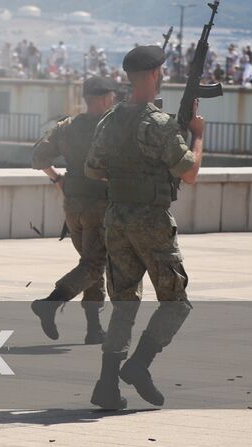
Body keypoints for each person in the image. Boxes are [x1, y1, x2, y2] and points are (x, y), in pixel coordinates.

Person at [85, 44, 203, 410]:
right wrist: (198, 135)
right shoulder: (159, 124)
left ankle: (106, 386)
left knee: (123, 301)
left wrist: (125, 178)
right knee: (176, 302)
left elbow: (92, 168)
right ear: (154, 75)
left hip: (116, 217)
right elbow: (190, 172)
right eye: (162, 71)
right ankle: (138, 365)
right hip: (150, 221)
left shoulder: (112, 118)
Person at [28, 76, 125, 344]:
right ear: (106, 99)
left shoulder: (67, 126)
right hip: (101, 205)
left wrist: (56, 178)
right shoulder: (114, 127)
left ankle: (94, 330)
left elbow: (38, 157)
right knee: (95, 264)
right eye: (113, 97)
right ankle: (50, 302)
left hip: (73, 205)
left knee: (90, 264)